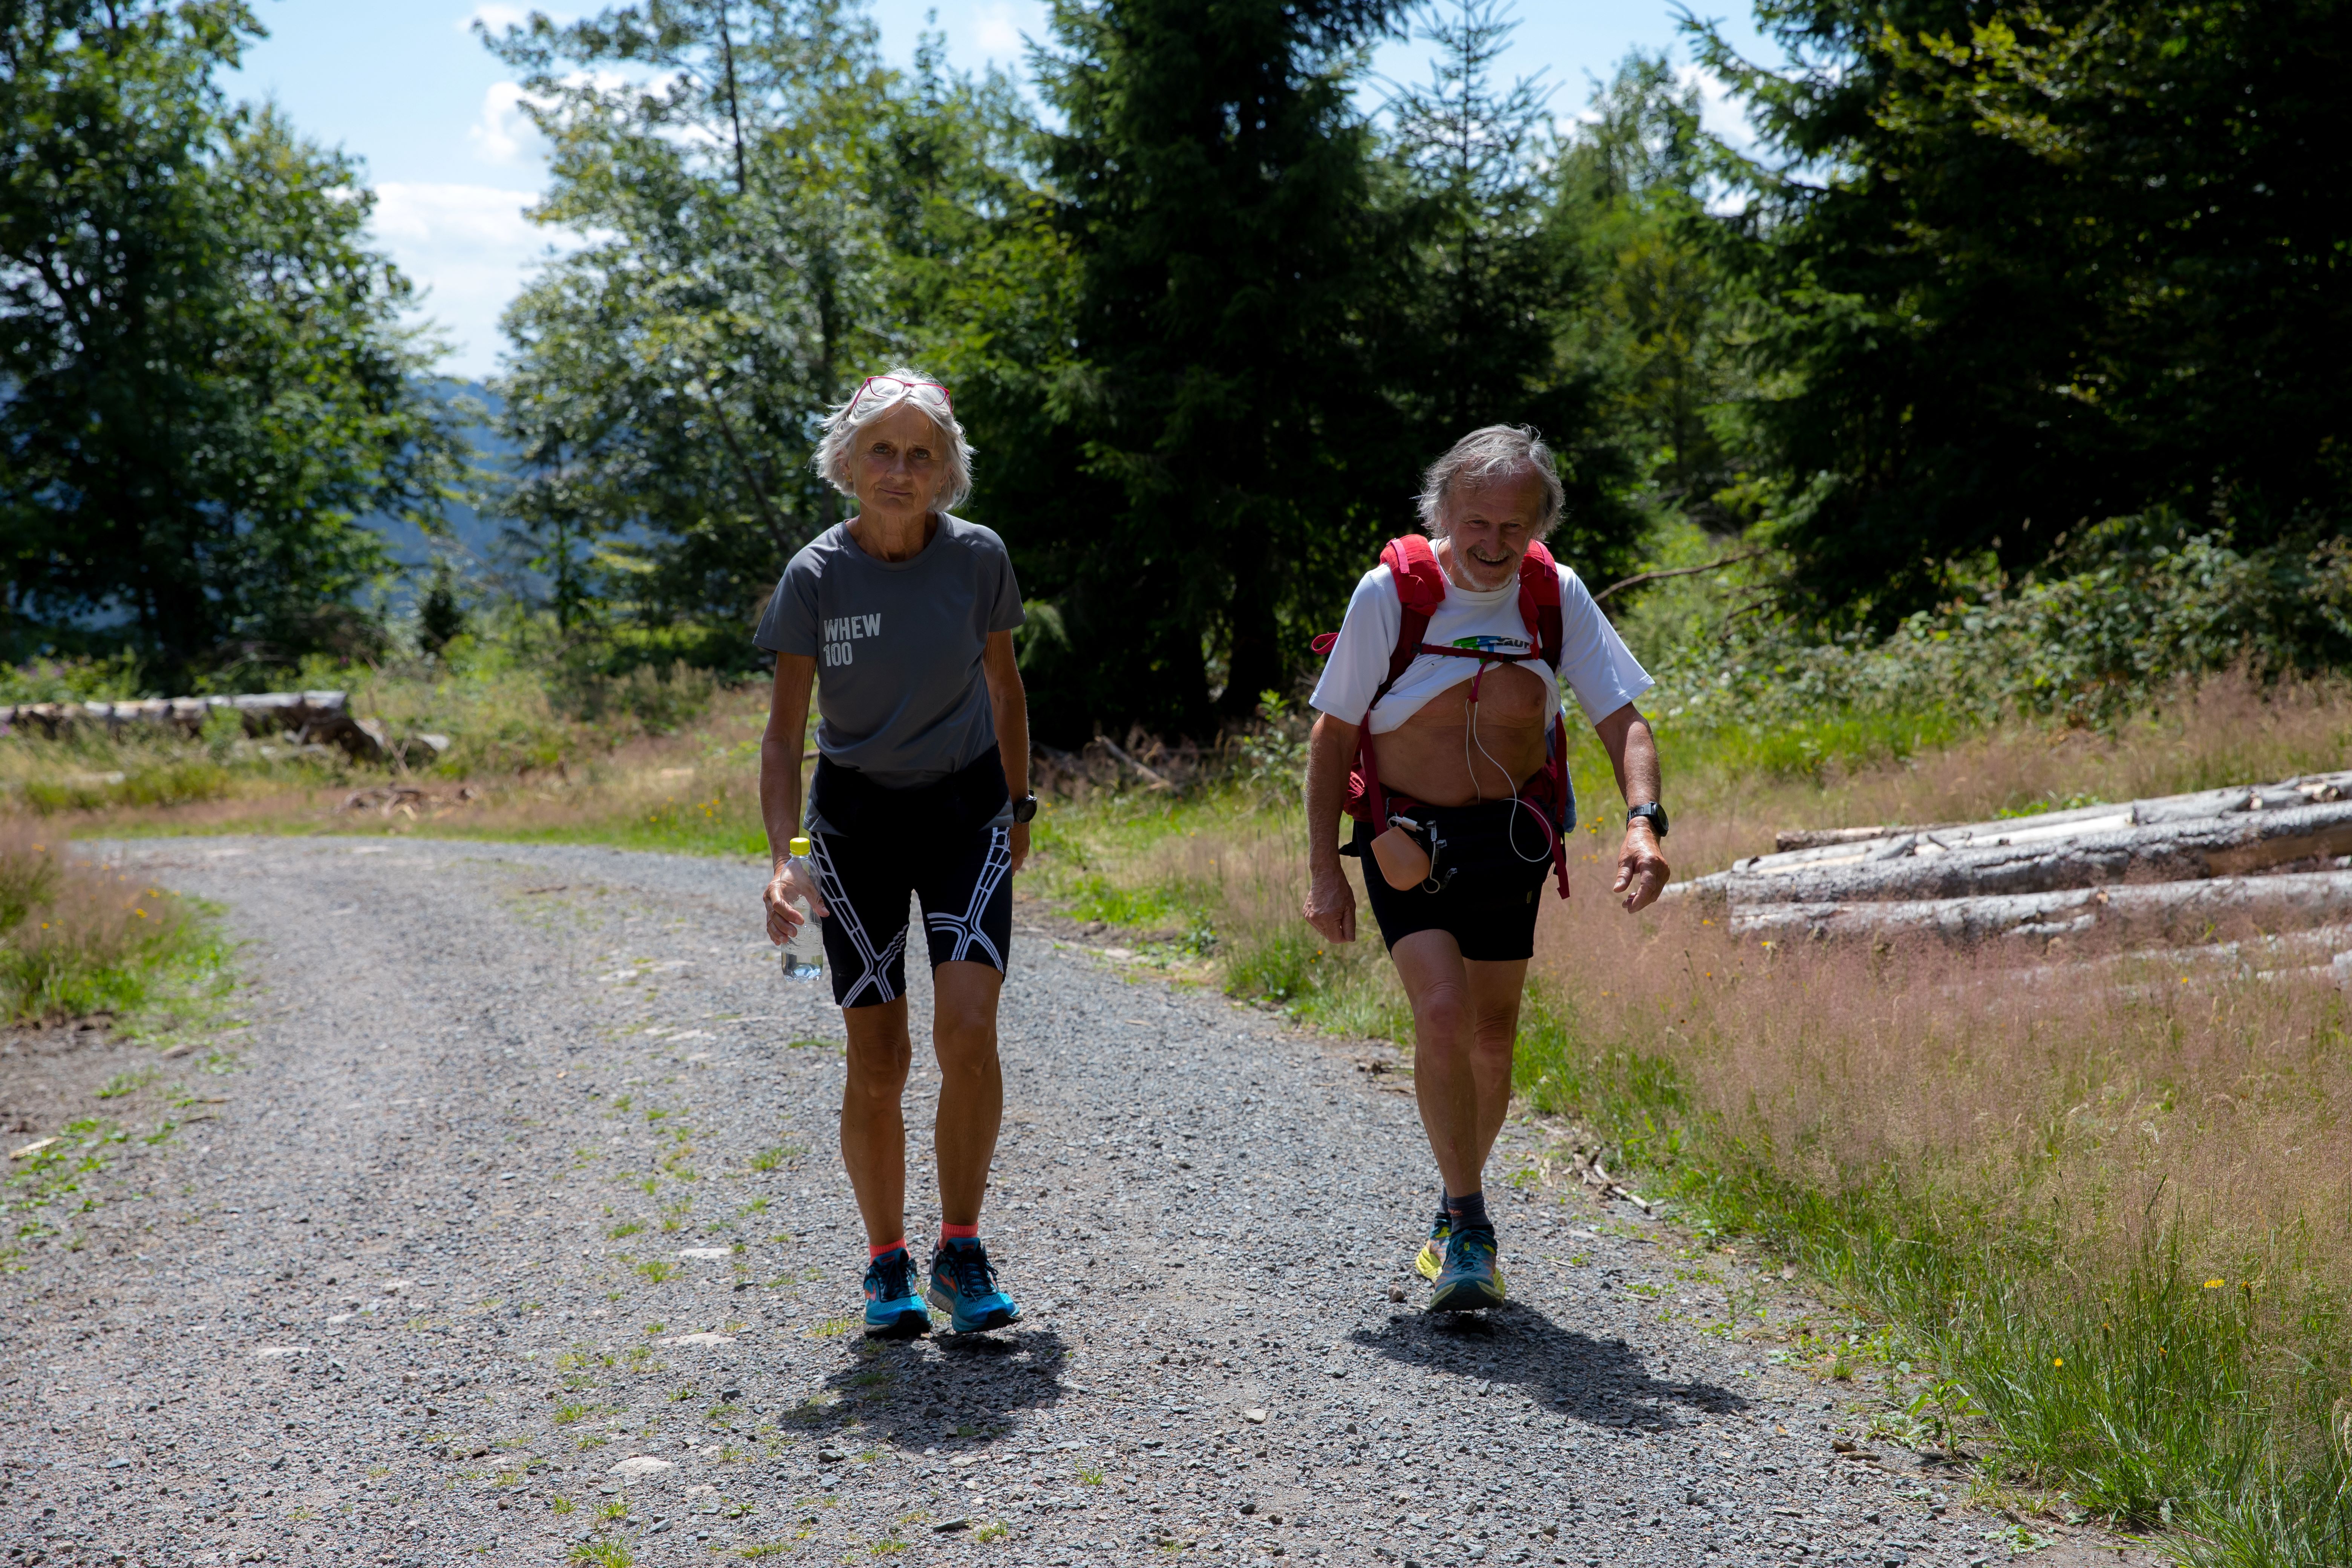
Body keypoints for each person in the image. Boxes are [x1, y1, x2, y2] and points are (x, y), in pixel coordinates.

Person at [1302, 425, 1670, 1310]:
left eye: (1514, 526)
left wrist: (1643, 823)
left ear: (1539, 524)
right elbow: (1333, 734)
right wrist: (1323, 871)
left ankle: (1451, 1202)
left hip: (1511, 841)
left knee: (1493, 1038)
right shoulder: (1392, 592)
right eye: (1476, 522)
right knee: (1443, 1009)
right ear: (1443, 512)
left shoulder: (1554, 594)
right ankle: (1471, 1227)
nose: (1494, 544)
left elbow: (1623, 719)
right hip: (1406, 842)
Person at [756, 368, 1041, 1338]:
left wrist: (1019, 805)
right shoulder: (815, 576)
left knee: (969, 1031)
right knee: (879, 1059)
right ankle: (888, 1263)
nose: (900, 469)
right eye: (882, 449)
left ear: (945, 471)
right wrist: (785, 858)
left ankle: (961, 1249)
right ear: (848, 461)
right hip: (856, 829)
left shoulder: (979, 558)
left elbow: (1006, 689)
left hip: (966, 816)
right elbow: (782, 734)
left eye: (922, 454)